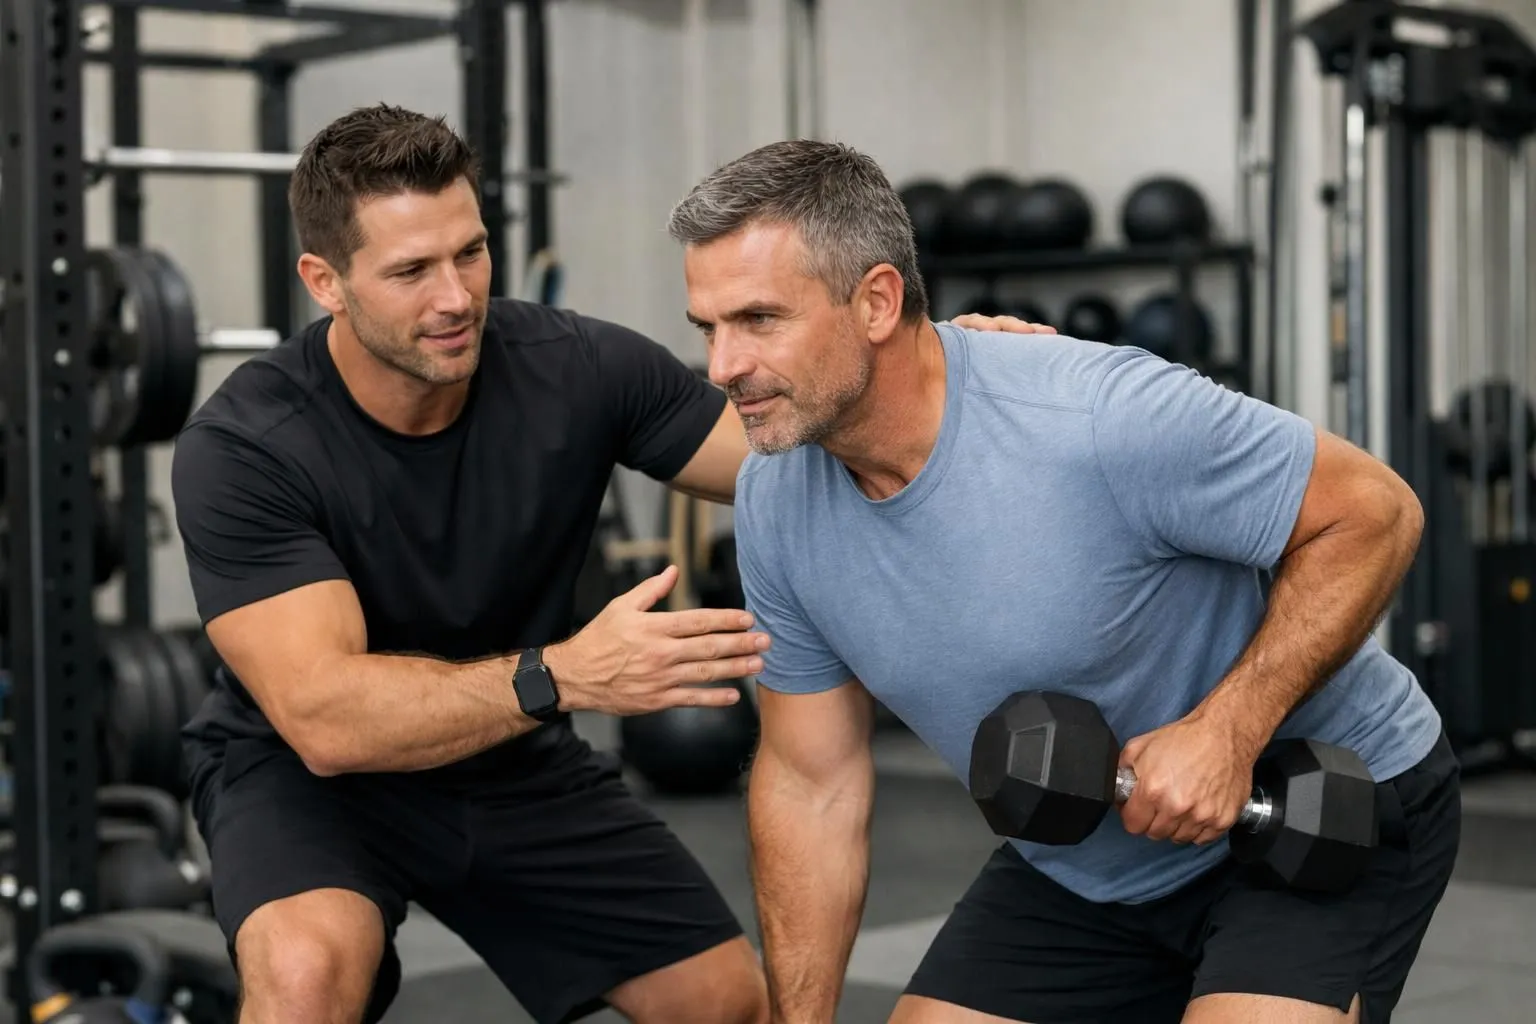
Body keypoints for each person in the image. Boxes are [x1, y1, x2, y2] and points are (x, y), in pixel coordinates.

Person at [170, 103, 1042, 1024]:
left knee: (726, 1008)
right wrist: (568, 674)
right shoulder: (246, 446)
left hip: (514, 757)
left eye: (469, 252)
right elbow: (325, 720)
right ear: (325, 281)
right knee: (306, 974)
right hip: (314, 782)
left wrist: (940, 375)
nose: (457, 296)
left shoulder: (573, 366)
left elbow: (799, 449)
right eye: (411, 271)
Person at [667, 138, 1460, 1024]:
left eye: (758, 321)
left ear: (878, 302)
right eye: (709, 328)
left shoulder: (1096, 418)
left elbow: (1377, 513)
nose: (722, 368)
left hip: (1319, 808)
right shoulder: (775, 503)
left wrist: (1227, 731)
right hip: (1088, 866)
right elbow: (812, 784)